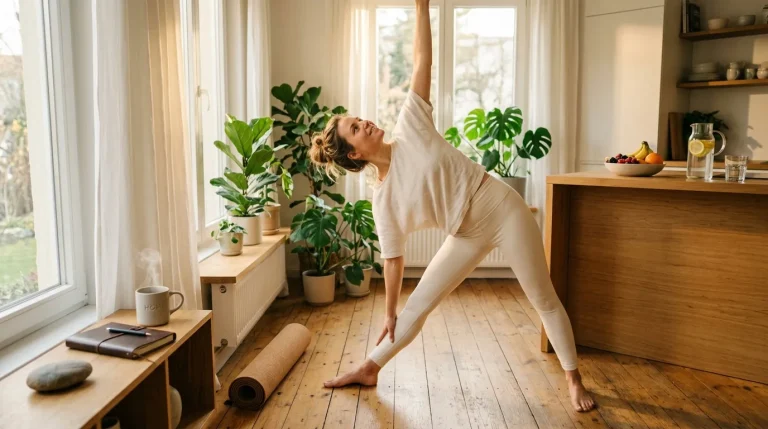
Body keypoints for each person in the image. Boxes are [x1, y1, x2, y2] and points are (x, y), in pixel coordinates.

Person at [309, 0, 595, 413]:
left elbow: (422, 60)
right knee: (417, 306)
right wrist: (389, 311)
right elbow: (393, 259)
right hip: (465, 233)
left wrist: (422, 7)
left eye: (359, 118)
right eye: (356, 128)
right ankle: (369, 369)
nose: (365, 121)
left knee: (542, 297)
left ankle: (573, 378)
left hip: (502, 208)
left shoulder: (411, 124)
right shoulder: (383, 200)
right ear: (354, 154)